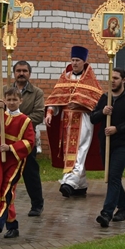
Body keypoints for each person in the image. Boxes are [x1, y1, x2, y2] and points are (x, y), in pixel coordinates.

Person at [0, 61, 45, 220]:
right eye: (18, 71)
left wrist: (19, 122)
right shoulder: (5, 90)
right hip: (4, 143)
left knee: (30, 173)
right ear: (14, 73)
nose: (21, 73)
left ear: (29, 73)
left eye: (24, 71)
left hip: (24, 140)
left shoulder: (37, 92)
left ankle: (37, 204)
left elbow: (39, 114)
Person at [45, 46, 104, 197]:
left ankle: (69, 182)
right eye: (73, 60)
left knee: (79, 149)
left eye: (77, 60)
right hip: (66, 120)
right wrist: (50, 112)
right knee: (69, 151)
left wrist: (80, 104)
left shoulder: (90, 80)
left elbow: (97, 102)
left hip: (83, 119)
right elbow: (56, 98)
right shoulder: (65, 77)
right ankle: (81, 184)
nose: (75, 63)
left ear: (84, 62)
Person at [91, 68, 125, 227]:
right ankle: (124, 207)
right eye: (110, 78)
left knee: (113, 176)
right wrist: (102, 112)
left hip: (123, 144)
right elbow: (93, 117)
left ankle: (106, 213)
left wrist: (117, 128)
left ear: (124, 80)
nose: (112, 81)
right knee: (112, 178)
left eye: (116, 78)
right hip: (106, 143)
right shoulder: (105, 97)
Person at [0, 87, 35, 241]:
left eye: (14, 100)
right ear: (4, 100)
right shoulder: (1, 116)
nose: (11, 103)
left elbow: (29, 142)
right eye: (9, 100)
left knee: (6, 191)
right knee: (2, 192)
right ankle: (12, 226)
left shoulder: (25, 120)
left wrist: (11, 147)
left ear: (20, 101)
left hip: (15, 161)